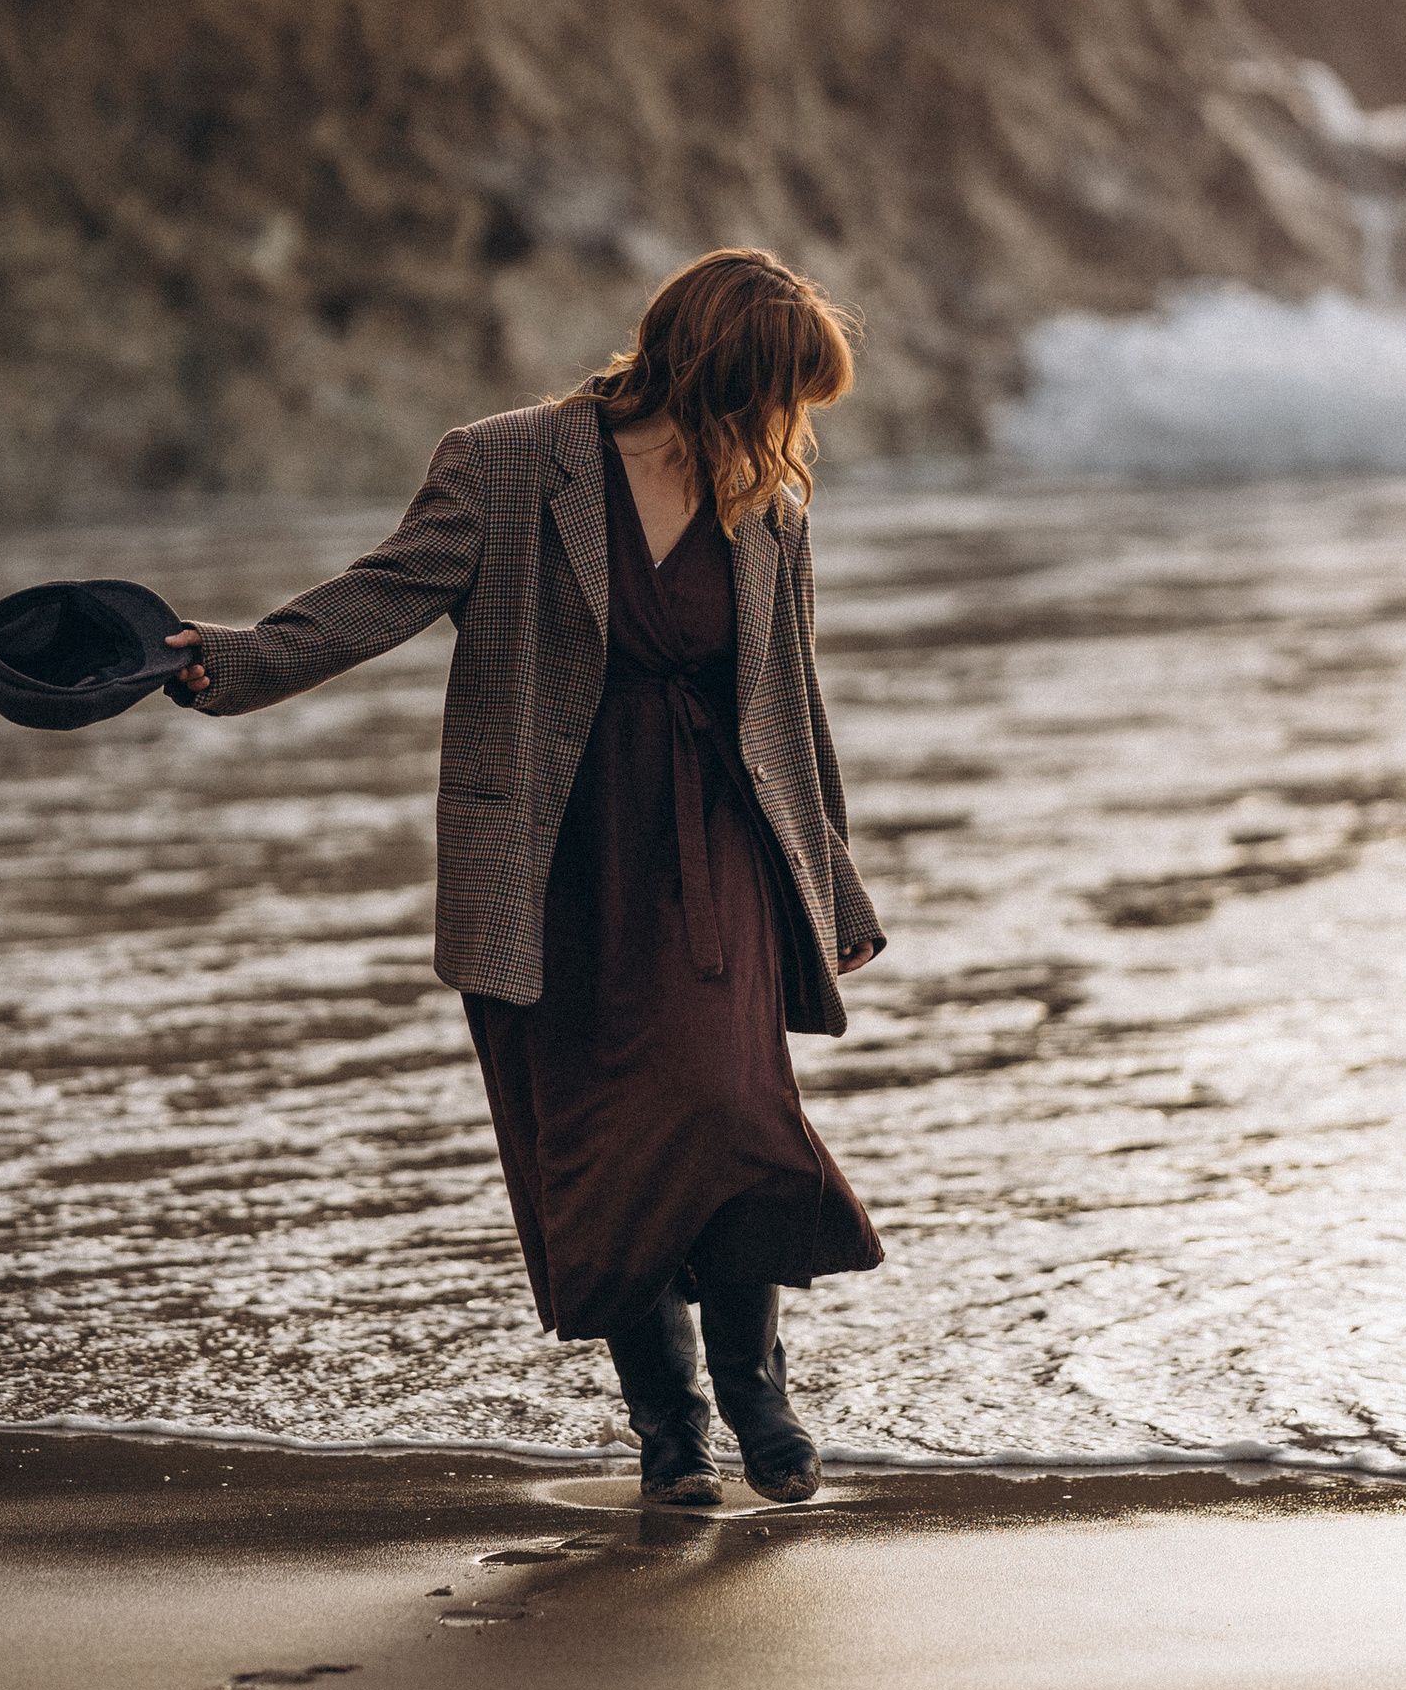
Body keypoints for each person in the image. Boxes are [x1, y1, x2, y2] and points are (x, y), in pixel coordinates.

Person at [166, 248, 885, 1504]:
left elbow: (790, 701)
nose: (791, 425)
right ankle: (669, 1435)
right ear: (722, 369)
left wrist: (835, 881)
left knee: (727, 1109)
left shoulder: (766, 500)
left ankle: (755, 1391)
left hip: (713, 842)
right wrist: (235, 662)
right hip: (554, 854)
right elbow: (383, 594)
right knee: (600, 1142)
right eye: (781, 391)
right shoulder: (508, 462)